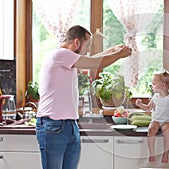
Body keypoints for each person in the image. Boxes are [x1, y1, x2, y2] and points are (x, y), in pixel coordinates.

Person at [36, 25, 132, 169]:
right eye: (88, 45)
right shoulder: (60, 54)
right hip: (53, 124)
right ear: (76, 42)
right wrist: (118, 55)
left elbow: (90, 60)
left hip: (69, 125)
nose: (88, 50)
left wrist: (112, 51)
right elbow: (94, 63)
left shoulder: (67, 59)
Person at [135, 71, 169, 163]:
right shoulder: (155, 97)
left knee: (167, 130)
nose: (152, 86)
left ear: (163, 85)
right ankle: (152, 154)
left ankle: (165, 154)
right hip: (156, 120)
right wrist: (140, 104)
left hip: (167, 120)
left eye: (154, 84)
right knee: (151, 130)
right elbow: (148, 108)